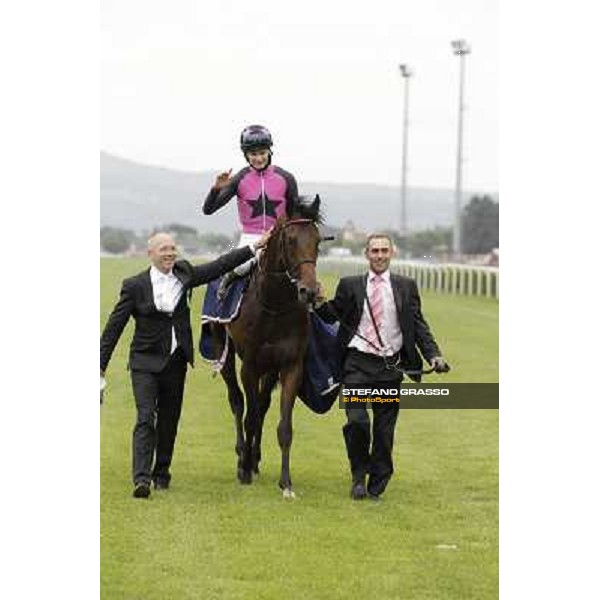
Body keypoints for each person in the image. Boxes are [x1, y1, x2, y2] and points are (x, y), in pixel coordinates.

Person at [100, 230, 270, 498]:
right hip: (144, 362)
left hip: (175, 363)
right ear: (151, 254)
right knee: (146, 418)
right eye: (163, 249)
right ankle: (141, 479)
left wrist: (254, 247)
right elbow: (114, 327)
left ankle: (162, 473)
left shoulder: (184, 275)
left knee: (169, 420)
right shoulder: (134, 285)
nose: (169, 253)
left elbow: (219, 266)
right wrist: (99, 366)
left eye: (172, 248)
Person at [315, 233, 450, 501]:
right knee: (357, 423)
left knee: (384, 432)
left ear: (392, 253)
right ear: (366, 254)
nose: (379, 255)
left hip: (391, 368)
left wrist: (434, 355)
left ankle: (378, 480)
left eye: (383, 251)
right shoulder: (350, 285)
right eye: (374, 251)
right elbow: (333, 314)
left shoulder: (406, 286)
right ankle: (358, 476)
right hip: (356, 365)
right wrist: (318, 300)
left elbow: (418, 326)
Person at [201, 124, 299, 298]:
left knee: (302, 271)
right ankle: (228, 282)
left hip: (279, 236)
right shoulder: (239, 179)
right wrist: (216, 189)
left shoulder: (286, 178)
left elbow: (294, 213)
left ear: (270, 151)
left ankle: (313, 313)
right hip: (250, 236)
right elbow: (208, 210)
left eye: (262, 153)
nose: (259, 158)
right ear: (246, 155)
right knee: (241, 266)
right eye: (253, 154)